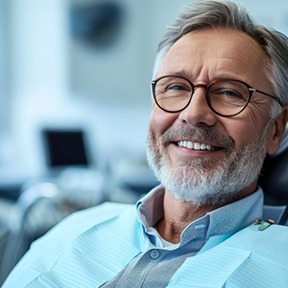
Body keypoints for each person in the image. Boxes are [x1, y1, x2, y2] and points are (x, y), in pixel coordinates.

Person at [3, 0, 288, 287]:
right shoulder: (74, 231)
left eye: (229, 93)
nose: (194, 113)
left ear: (275, 129)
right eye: (176, 87)